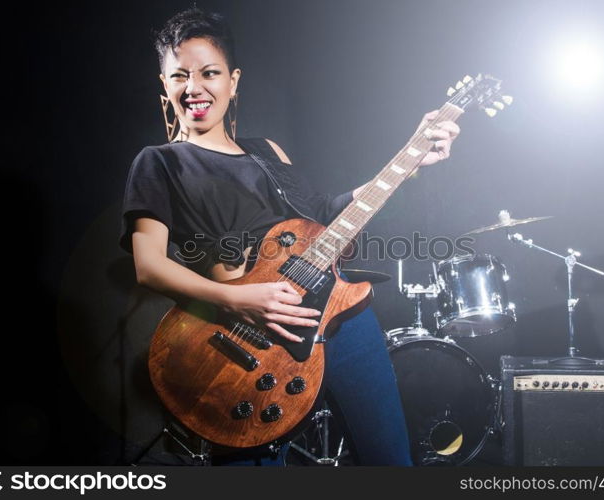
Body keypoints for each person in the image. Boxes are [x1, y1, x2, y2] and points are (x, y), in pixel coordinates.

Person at [119, 6, 460, 466]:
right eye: (179, 76)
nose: (194, 87)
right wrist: (236, 299)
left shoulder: (266, 152)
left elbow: (322, 217)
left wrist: (410, 158)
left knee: (391, 460)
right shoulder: (159, 162)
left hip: (338, 319)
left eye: (209, 73)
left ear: (233, 81)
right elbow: (149, 265)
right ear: (165, 84)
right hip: (237, 341)